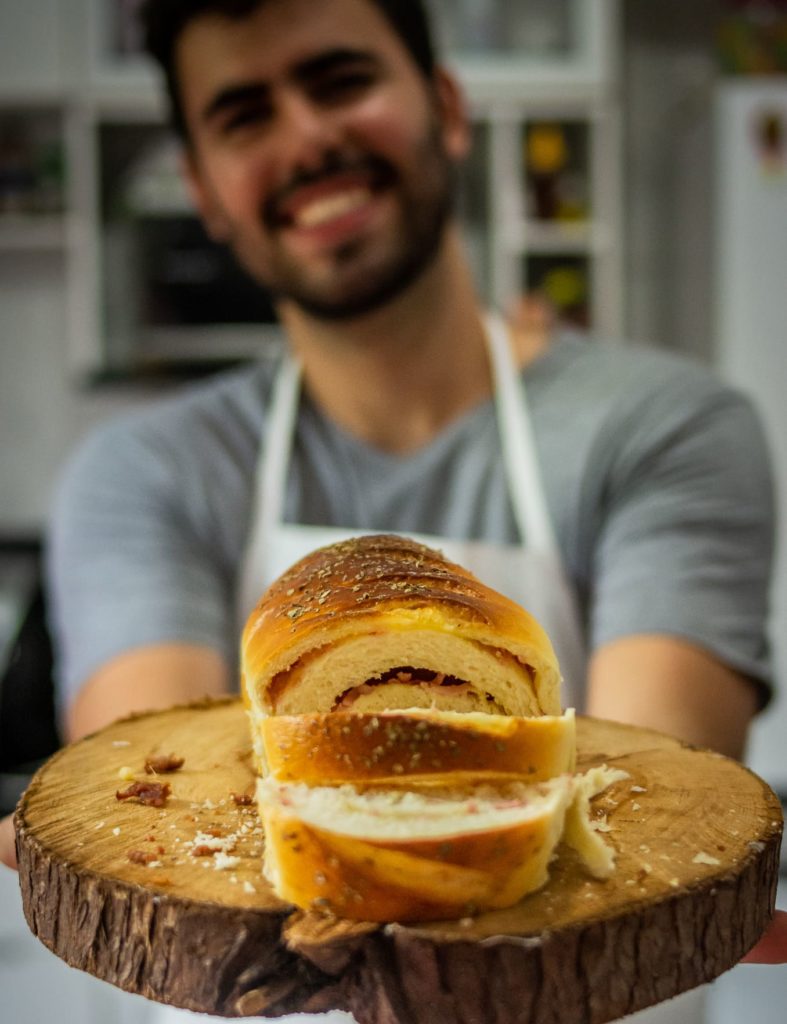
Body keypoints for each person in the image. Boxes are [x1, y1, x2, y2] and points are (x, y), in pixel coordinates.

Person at [1, 0, 784, 1002]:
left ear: (446, 107)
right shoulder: (141, 470)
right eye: (244, 115)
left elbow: (624, 852)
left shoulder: (664, 426)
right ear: (205, 190)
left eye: (341, 81)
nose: (308, 137)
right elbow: (173, 823)